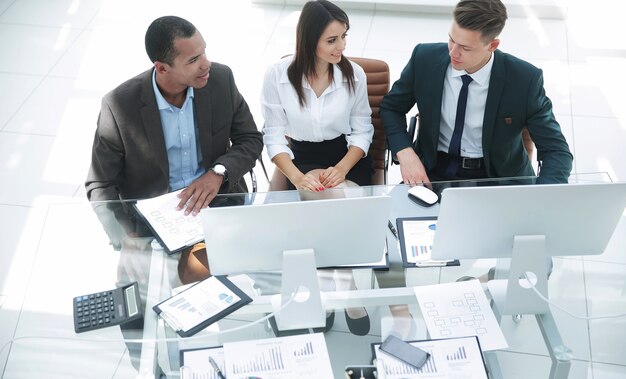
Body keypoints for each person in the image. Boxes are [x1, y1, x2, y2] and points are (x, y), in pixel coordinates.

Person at [85, 16, 263, 283]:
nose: (206, 64)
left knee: (234, 273)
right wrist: (125, 237)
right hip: (152, 218)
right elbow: (99, 184)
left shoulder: (220, 80)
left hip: (217, 204)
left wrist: (218, 172)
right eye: (192, 60)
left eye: (203, 52)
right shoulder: (119, 106)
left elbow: (250, 138)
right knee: (134, 298)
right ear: (162, 68)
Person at [261, 0, 373, 335]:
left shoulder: (354, 75)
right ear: (309, 40)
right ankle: (348, 290)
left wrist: (341, 166)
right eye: (332, 40)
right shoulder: (277, 76)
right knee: (325, 203)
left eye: (344, 37)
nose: (342, 47)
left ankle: (327, 289)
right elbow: (273, 134)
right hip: (301, 159)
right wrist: (295, 176)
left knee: (329, 203)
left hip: (345, 156)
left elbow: (363, 129)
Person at [381, 0, 573, 186]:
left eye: (465, 48)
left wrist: (545, 195)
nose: (453, 53)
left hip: (499, 178)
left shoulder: (524, 80)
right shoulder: (424, 58)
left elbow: (556, 151)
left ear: (492, 45)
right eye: (451, 39)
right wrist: (405, 152)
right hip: (433, 170)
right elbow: (391, 108)